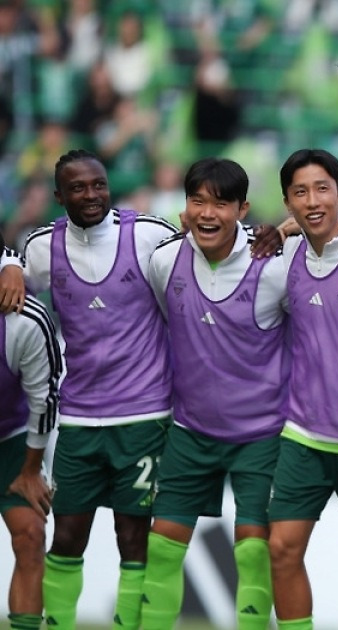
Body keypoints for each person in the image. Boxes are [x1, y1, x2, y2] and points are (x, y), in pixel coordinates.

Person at [12, 150, 175, 629]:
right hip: (79, 418)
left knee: (133, 538)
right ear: (59, 196)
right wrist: (8, 263)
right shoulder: (41, 247)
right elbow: (15, 272)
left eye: (98, 184)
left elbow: (206, 260)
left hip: (144, 416)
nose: (91, 195)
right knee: (66, 536)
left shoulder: (148, 234)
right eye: (78, 188)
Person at [140, 158, 289, 630]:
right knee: (162, 550)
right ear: (185, 206)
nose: (207, 213)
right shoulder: (165, 261)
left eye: (221, 203)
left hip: (262, 436)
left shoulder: (274, 268)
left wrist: (287, 230)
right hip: (190, 431)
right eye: (197, 201)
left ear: (242, 209)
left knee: (254, 554)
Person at [267, 149, 338, 630]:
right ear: (287, 202)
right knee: (281, 549)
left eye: (321, 189)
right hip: (303, 435)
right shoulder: (284, 258)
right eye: (300, 192)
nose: (312, 201)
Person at [2, 293, 61, 630]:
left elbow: (44, 398)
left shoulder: (24, 320)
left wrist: (30, 470)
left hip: (11, 441)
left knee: (31, 535)